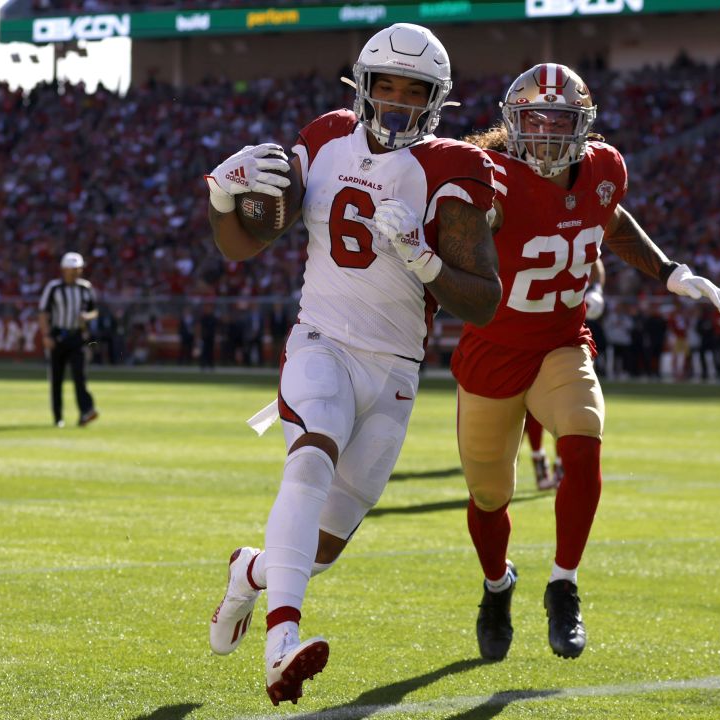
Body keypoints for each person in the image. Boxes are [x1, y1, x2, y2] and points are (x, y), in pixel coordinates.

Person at [202, 23, 500, 705]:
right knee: (309, 457)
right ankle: (282, 640)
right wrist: (223, 197)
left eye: (413, 90)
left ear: (436, 99)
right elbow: (246, 242)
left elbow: (482, 302)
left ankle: (251, 573)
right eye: (385, 85)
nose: (396, 101)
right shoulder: (327, 134)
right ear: (362, 87)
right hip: (322, 343)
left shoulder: (455, 166)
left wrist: (423, 256)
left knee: (323, 550)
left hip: (394, 371)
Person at [454, 63, 720, 661]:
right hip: (494, 351)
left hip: (560, 341)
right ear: (512, 122)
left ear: (585, 125)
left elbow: (610, 220)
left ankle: (563, 584)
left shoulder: (605, 167)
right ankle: (497, 585)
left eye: (561, 120)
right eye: (535, 119)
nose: (548, 132)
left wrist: (669, 271)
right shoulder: (491, 177)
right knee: (489, 495)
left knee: (583, 441)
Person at [37, 252, 98, 428]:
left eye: (78, 269)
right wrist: (46, 335)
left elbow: (95, 310)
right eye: (72, 269)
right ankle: (58, 417)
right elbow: (43, 312)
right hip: (58, 335)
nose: (76, 272)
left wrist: (87, 316)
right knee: (56, 378)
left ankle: (86, 412)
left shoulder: (85, 287)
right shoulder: (54, 288)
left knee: (80, 376)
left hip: (78, 336)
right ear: (64, 270)